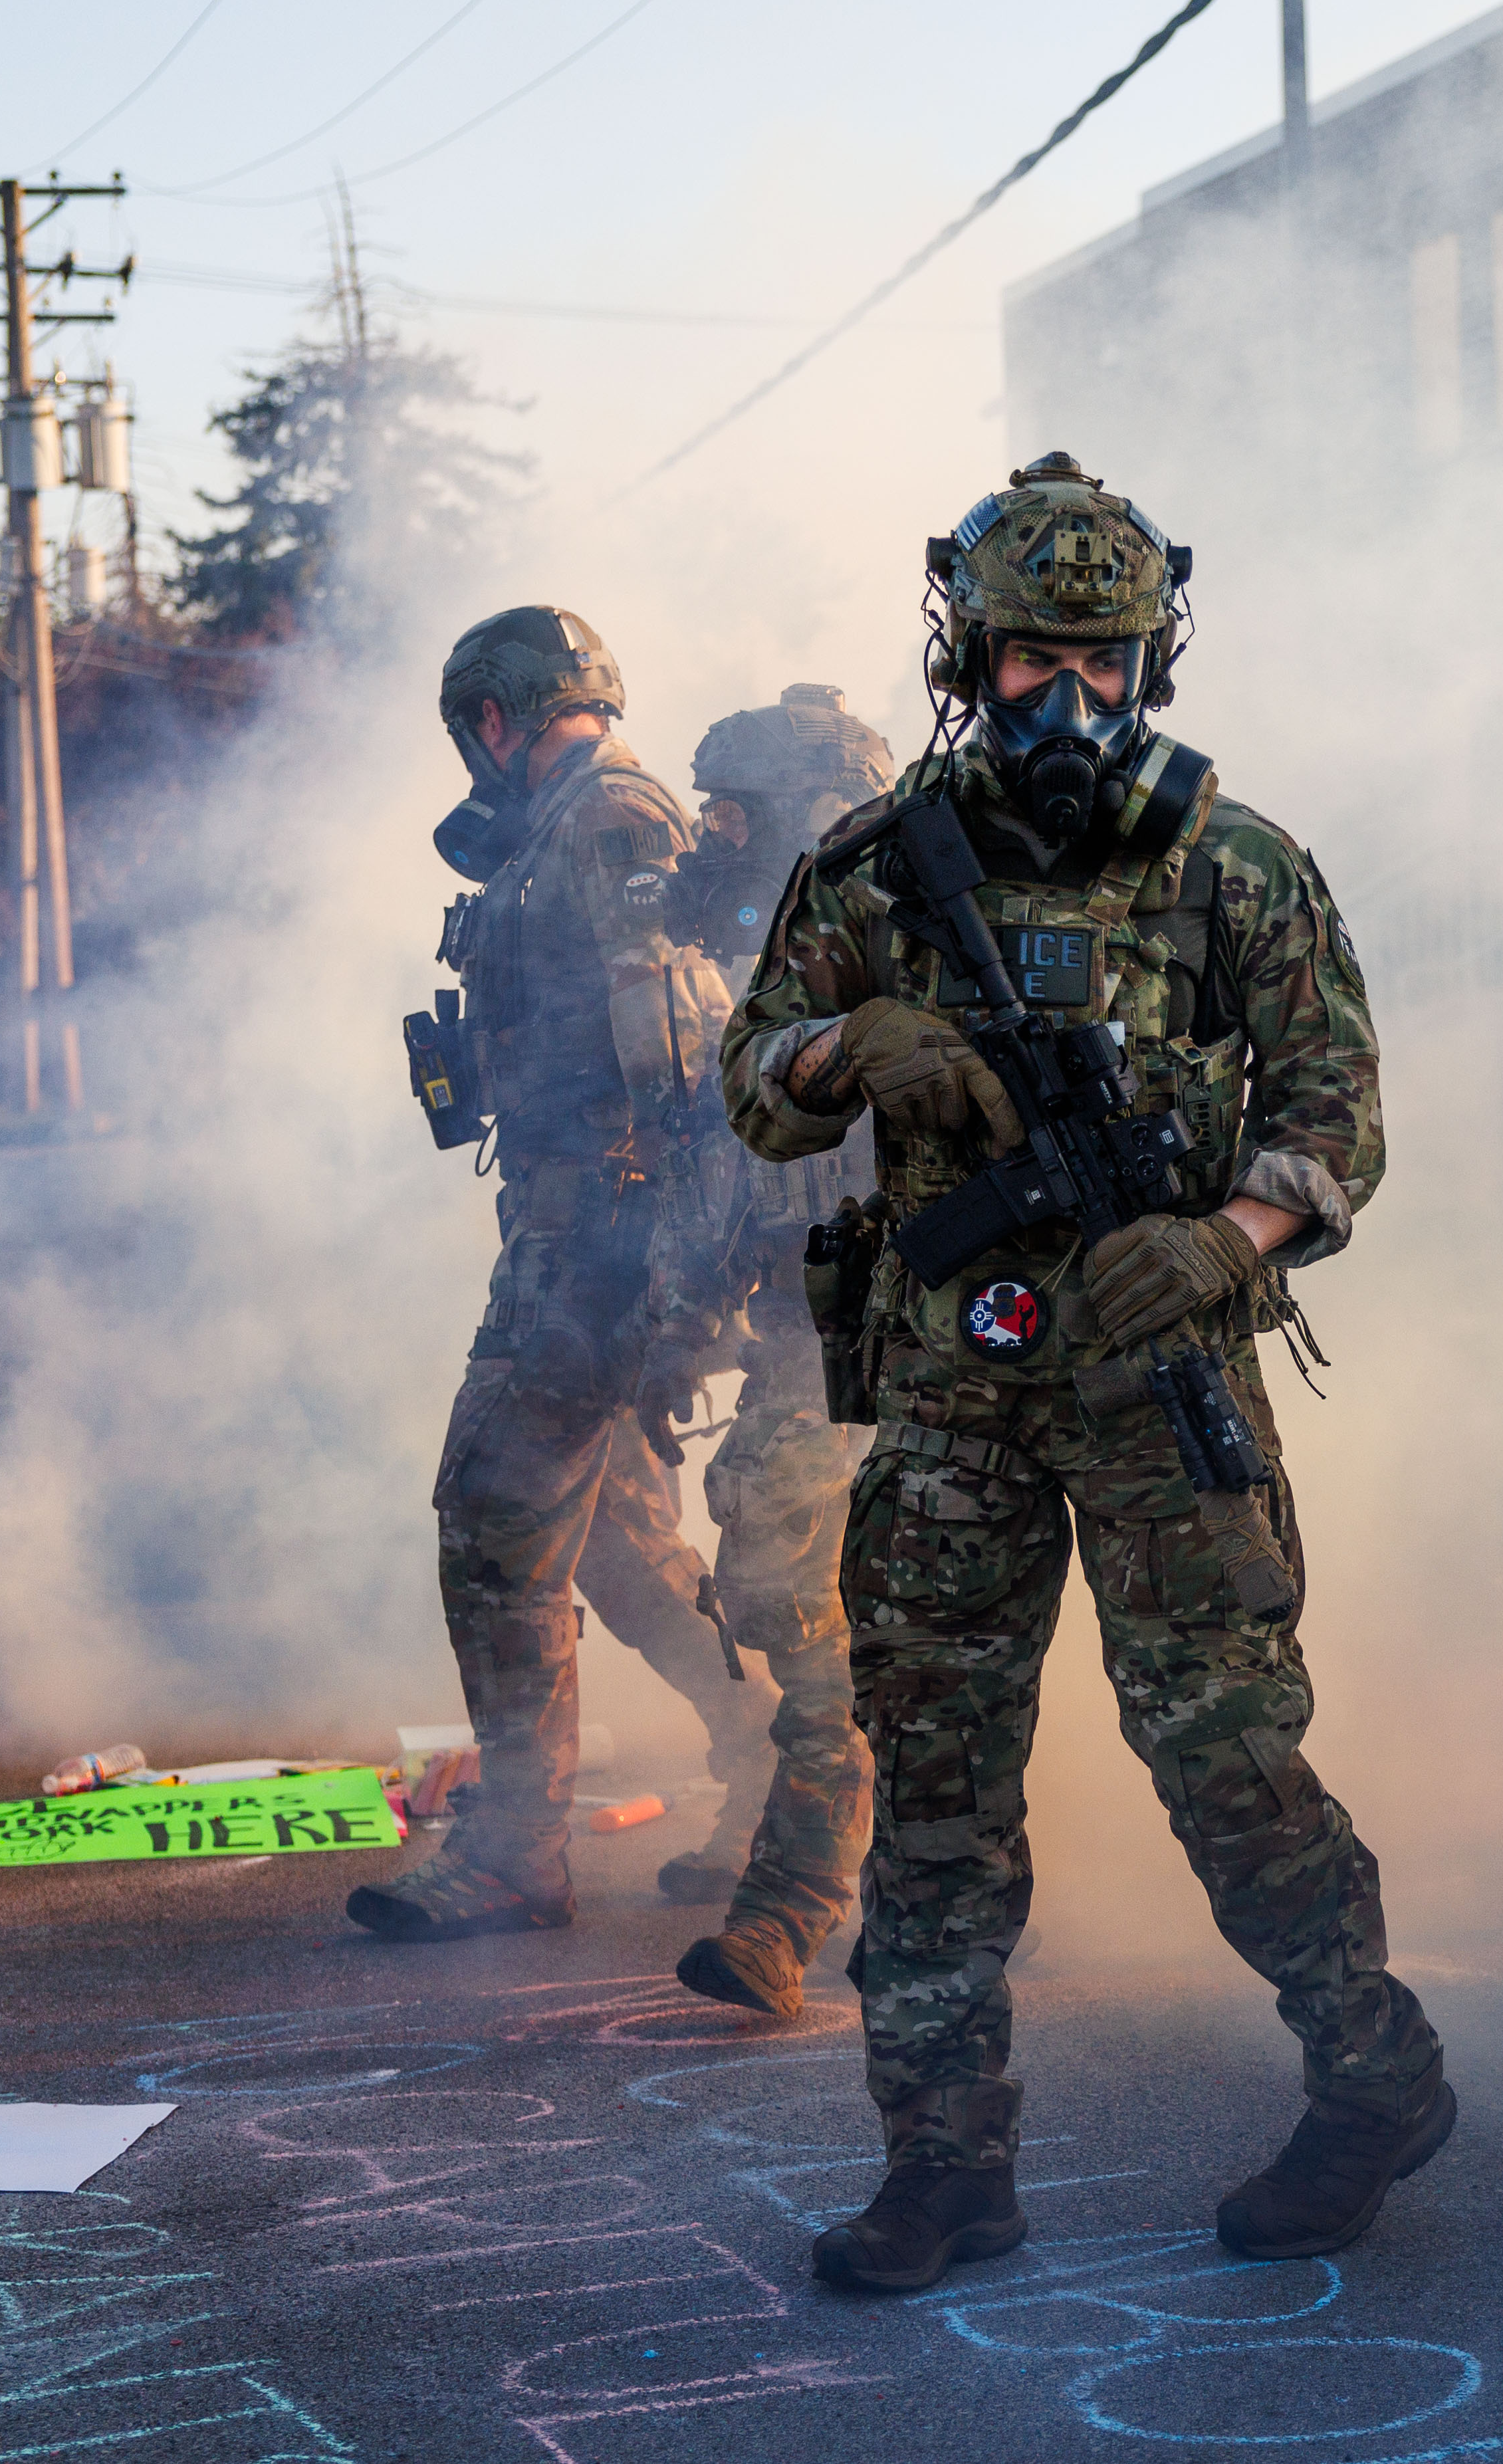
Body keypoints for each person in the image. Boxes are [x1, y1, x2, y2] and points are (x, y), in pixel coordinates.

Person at [725, 455, 1448, 2293]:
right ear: (966, 654)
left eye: (1101, 659)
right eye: (1031, 657)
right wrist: (847, 1044)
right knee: (936, 1782)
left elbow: (1336, 1116)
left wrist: (1229, 1238)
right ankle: (942, 2166)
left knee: (1226, 1757)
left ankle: (1374, 2076)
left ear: (1151, 661)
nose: (1068, 697)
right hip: (952, 1394)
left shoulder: (1234, 865)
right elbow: (747, 1078)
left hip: (1156, 1386)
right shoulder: (877, 864)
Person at [342, 607, 783, 1949]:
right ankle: (779, 1768)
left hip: (603, 1242)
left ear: (493, 716)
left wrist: (678, 1273)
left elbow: (682, 1048)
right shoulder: (577, 825)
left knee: (492, 1517)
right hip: (590, 1231)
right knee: (615, 1540)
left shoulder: (606, 820)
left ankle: (518, 1853)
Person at [653, 685, 893, 2016]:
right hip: (815, 1331)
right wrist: (682, 1323)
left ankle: (803, 1904)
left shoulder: (922, 953)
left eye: (733, 815)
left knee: (883, 1623)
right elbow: (736, 1184)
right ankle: (815, 1899)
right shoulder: (769, 986)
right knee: (795, 1602)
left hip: (929, 1333)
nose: (708, 841)